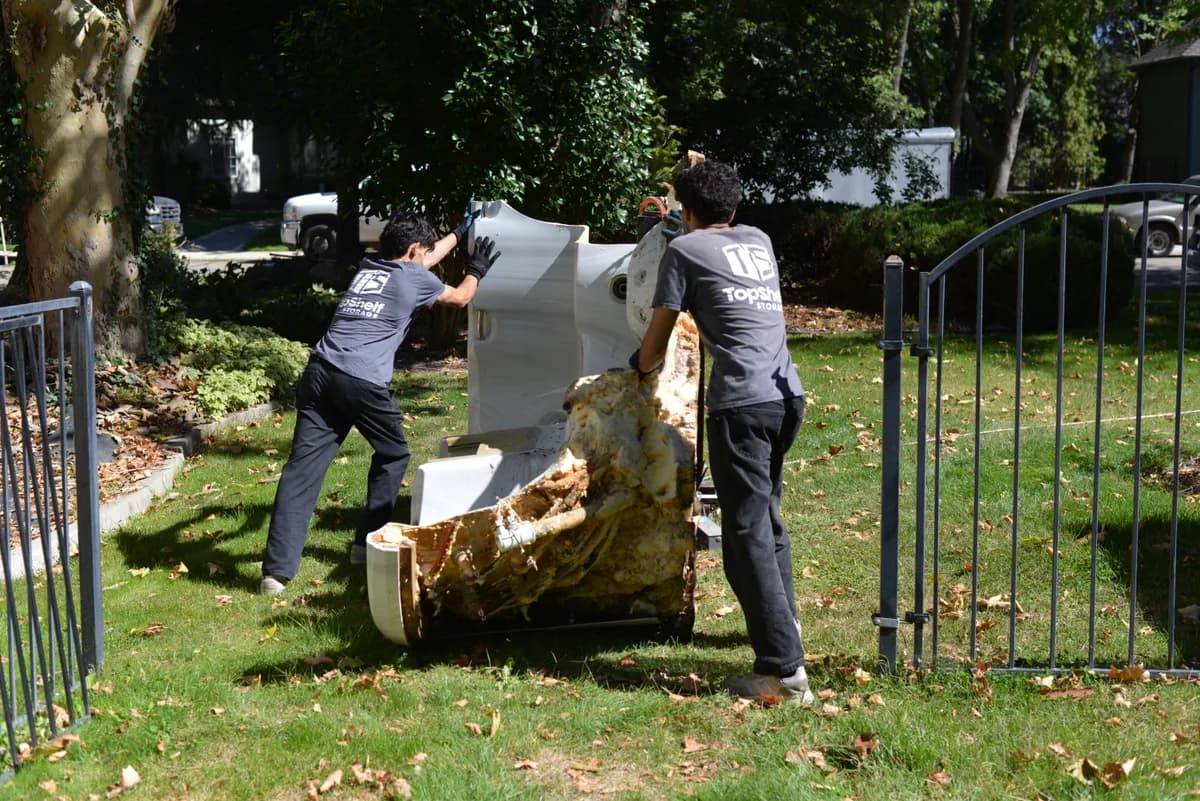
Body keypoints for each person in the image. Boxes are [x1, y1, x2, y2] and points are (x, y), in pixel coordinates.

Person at [630, 159, 811, 705]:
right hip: (786, 397)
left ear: (684, 211)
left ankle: (785, 674)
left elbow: (657, 337)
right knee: (767, 520)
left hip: (742, 407)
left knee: (744, 536)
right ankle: (787, 629)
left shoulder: (684, 250)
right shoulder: (758, 239)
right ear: (734, 207)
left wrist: (637, 369)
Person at [260, 211, 499, 595]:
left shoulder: (371, 266)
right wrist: (477, 270)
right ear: (411, 251)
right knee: (393, 455)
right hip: (361, 380)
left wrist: (459, 232)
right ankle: (366, 545)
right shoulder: (415, 276)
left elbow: (425, 258)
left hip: (320, 371)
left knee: (301, 471)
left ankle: (275, 574)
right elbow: (460, 297)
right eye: (422, 252)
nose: (426, 257)